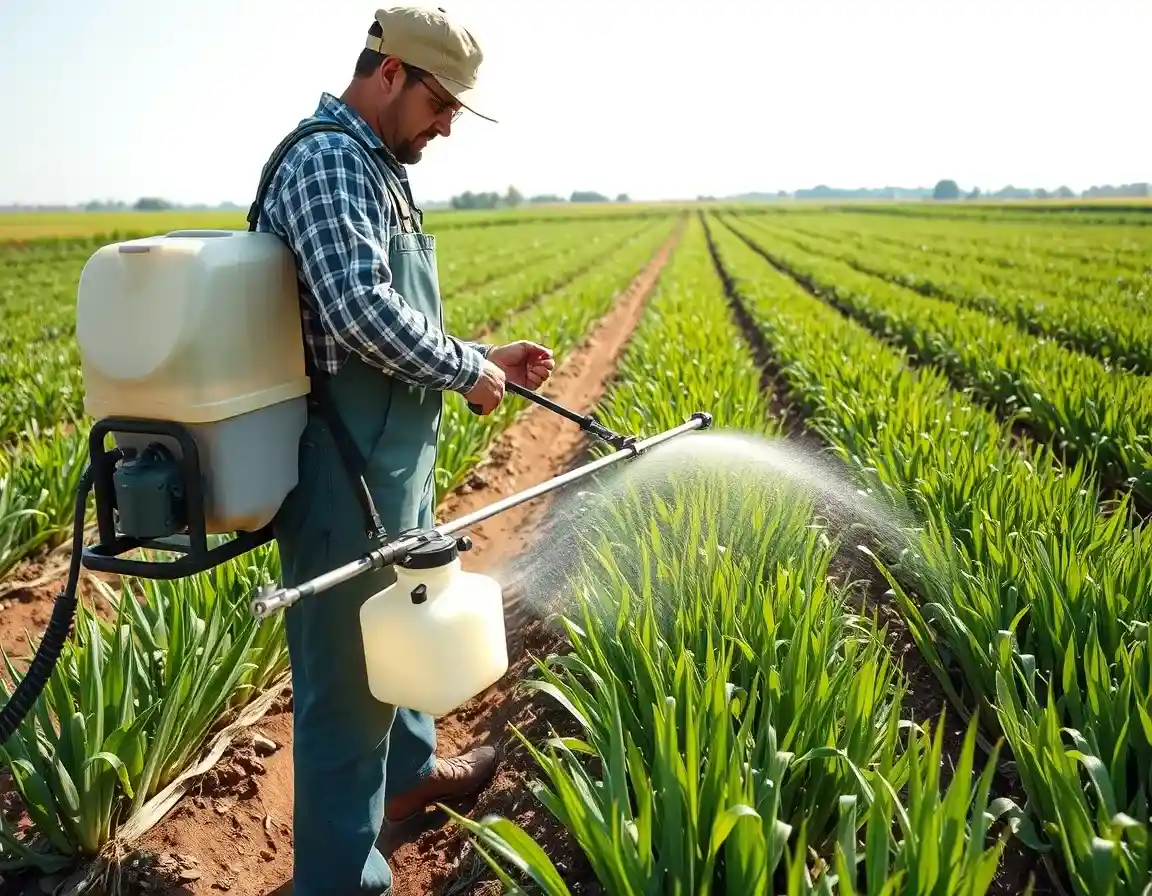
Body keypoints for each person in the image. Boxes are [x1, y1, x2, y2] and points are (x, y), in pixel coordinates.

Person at [245, 5, 555, 893]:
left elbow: (390, 313)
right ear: (389, 74)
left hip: (393, 459)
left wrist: (482, 356)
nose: (449, 122)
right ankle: (344, 880)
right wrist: (462, 370)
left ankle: (411, 777)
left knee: (414, 616)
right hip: (342, 470)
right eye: (442, 102)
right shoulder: (328, 160)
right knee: (347, 693)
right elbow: (357, 313)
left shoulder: (380, 163)